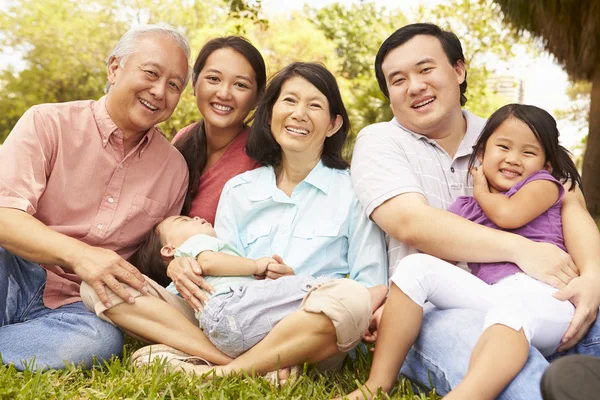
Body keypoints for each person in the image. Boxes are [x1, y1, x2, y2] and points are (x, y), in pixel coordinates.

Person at [81, 62, 388, 377]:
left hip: (308, 328)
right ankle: (252, 365)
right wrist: (185, 264)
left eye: (315, 105)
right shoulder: (240, 190)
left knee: (352, 299)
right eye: (290, 101)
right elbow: (219, 264)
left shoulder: (354, 191)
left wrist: (298, 285)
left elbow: (372, 286)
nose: (299, 113)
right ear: (269, 114)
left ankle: (218, 370)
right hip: (231, 316)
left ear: (333, 124)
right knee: (101, 284)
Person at [349, 23, 600, 399]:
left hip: (549, 294)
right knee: (508, 369)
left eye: (425, 69)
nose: (414, 86)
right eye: (397, 80)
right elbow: (411, 223)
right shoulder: (380, 141)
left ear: (458, 70)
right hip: (438, 309)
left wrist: (594, 276)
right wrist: (521, 249)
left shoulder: (508, 135)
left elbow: (571, 201)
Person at [0, 24, 191, 370]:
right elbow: (4, 215)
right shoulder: (48, 122)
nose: (159, 91)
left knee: (102, 340)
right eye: (151, 73)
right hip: (12, 270)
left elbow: (151, 260)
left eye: (174, 85)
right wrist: (81, 255)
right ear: (115, 68)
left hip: (80, 303)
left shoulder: (174, 169)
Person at [130, 214, 386, 361]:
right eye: (185, 219)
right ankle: (324, 288)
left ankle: (247, 365)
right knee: (298, 288)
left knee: (281, 303)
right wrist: (256, 265)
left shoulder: (188, 282)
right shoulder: (197, 245)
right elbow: (208, 262)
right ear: (169, 249)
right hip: (232, 307)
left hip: (227, 331)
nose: (197, 216)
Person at [136, 36, 266, 304]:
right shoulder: (183, 139)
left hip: (229, 290)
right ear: (194, 85)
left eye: (240, 84)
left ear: (257, 98)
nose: (224, 93)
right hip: (174, 284)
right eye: (214, 79)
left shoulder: (263, 158)